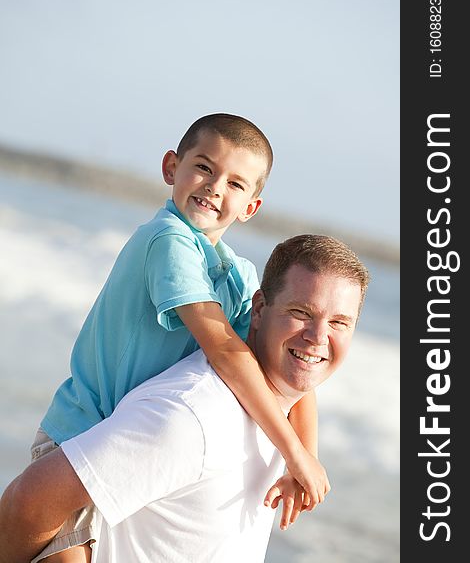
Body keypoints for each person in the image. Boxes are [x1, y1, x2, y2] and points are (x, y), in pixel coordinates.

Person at [4, 114, 327, 562]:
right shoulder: (168, 240)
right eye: (205, 167)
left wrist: (307, 457)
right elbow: (226, 351)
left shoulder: (239, 275)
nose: (215, 187)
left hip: (130, 461)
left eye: (236, 184)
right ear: (172, 168)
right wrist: (293, 453)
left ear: (251, 206)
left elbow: (290, 374)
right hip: (80, 438)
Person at [0, 234, 369, 563]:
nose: (318, 337)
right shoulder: (191, 416)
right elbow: (27, 502)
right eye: (301, 313)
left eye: (339, 322)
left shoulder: (281, 407)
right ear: (258, 309)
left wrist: (302, 454)